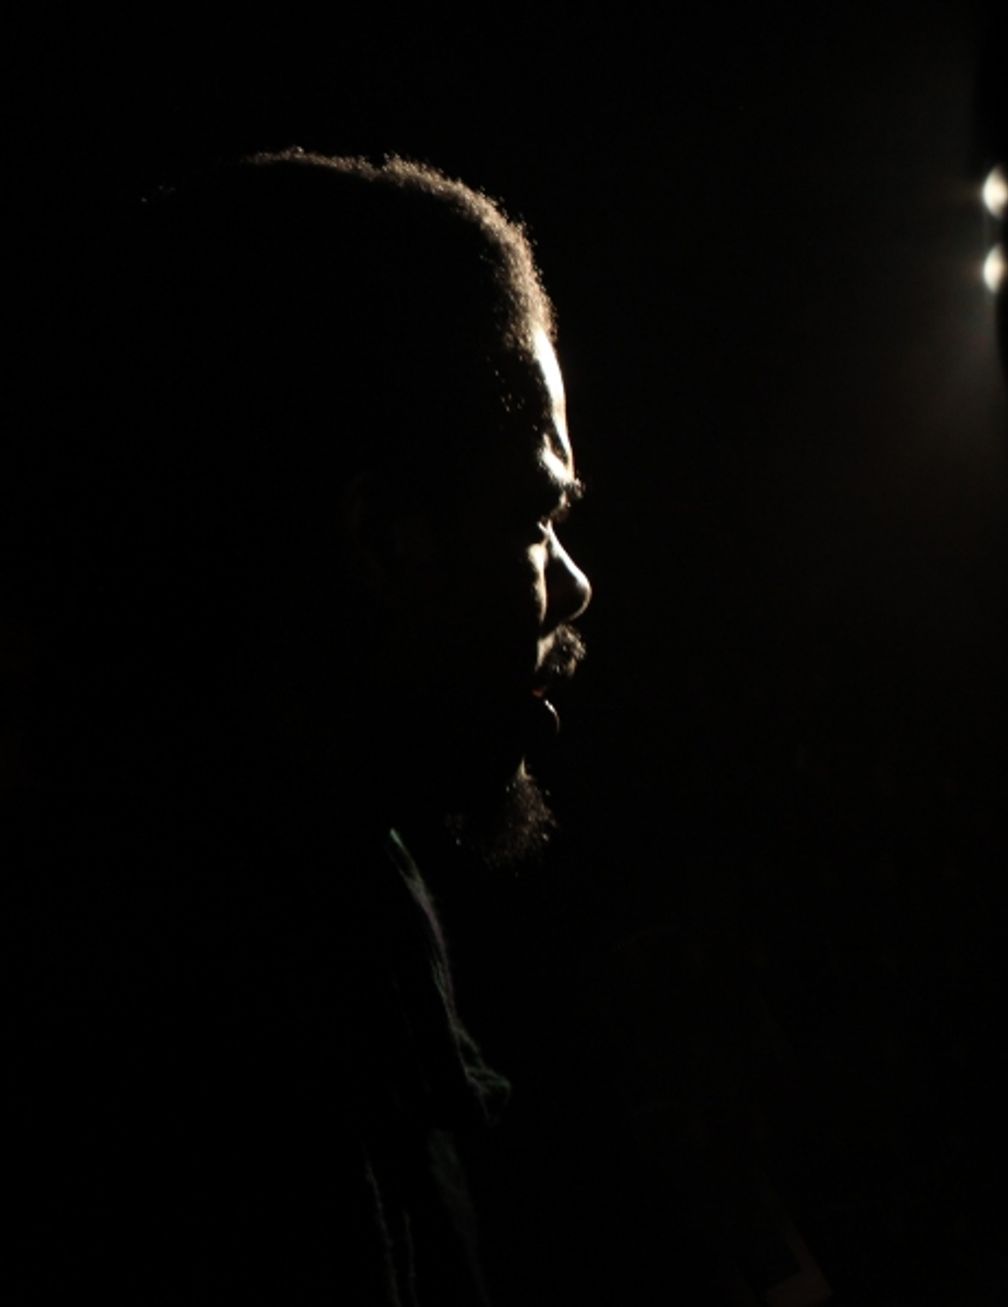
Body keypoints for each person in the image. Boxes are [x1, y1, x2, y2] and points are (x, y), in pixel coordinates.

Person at [9, 150, 591, 1305]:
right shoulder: (176, 1060)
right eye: (535, 512)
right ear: (381, 538)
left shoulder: (334, 925)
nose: (571, 584)